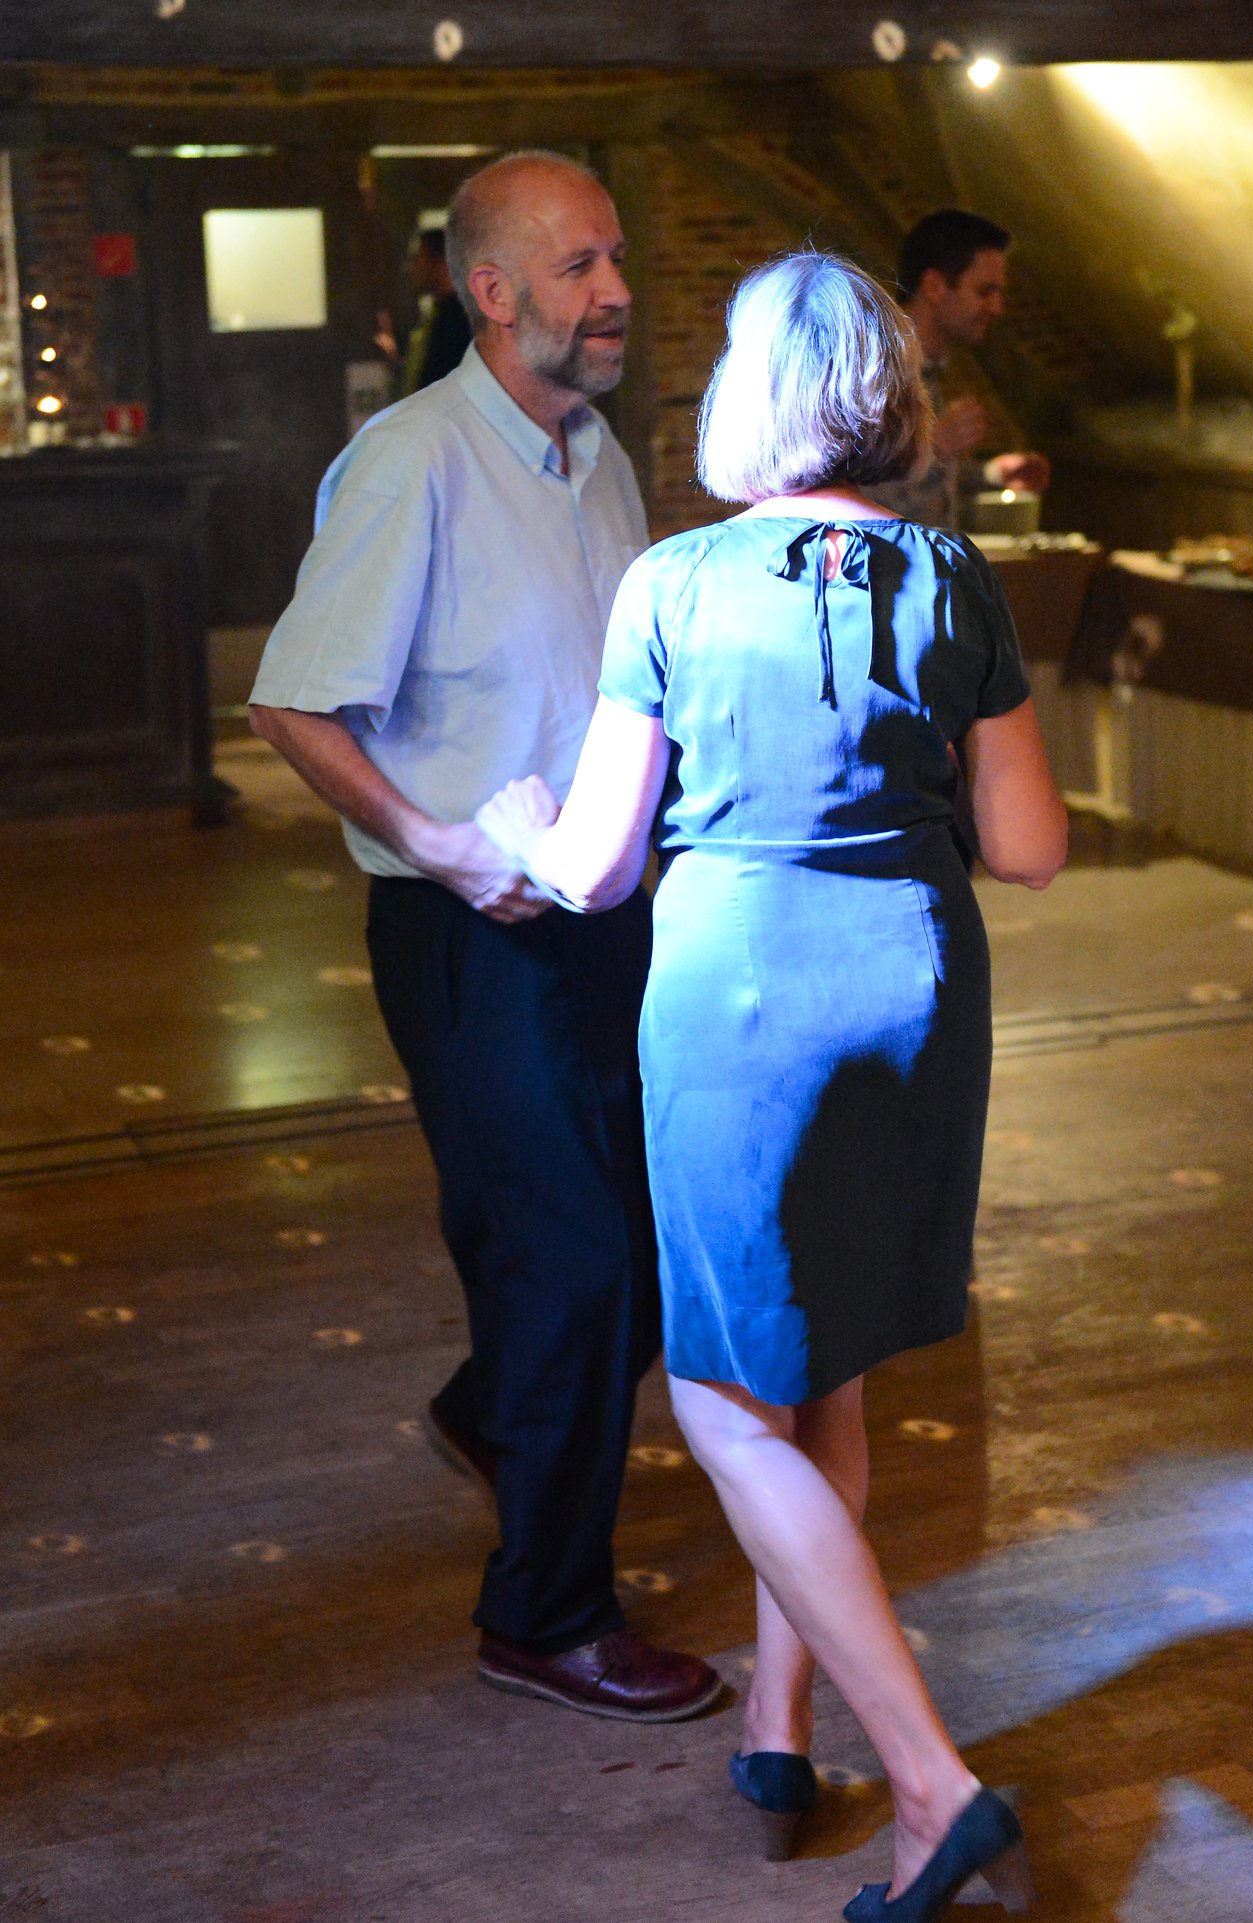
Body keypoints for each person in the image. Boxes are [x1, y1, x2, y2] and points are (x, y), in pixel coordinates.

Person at [477, 251, 1067, 1920]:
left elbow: (592, 868)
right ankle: (782, 1721)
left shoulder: (669, 582)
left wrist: (519, 819)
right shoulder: (958, 579)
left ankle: (936, 1782)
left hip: (740, 1007)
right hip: (914, 998)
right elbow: (1027, 847)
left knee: (727, 1402)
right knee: (831, 1378)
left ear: (746, 389)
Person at [247, 151, 721, 1725]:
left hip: (600, 918)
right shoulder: (411, 460)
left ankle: (494, 1406)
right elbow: (293, 702)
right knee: (575, 1260)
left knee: (642, 1249)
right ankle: (547, 1612)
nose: (619, 294)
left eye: (619, 261)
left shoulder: (593, 454)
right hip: (466, 938)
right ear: (492, 290)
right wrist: (442, 845)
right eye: (583, 266)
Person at [870, 208, 1051, 530]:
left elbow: (925, 489)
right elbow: (854, 499)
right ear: (936, 286)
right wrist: (937, 448)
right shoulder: (873, 370)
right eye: (985, 292)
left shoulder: (927, 371)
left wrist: (990, 474)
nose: (998, 308)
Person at [397, 226, 472, 397]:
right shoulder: (436, 316)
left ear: (440, 261)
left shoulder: (461, 321)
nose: (410, 268)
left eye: (417, 259)